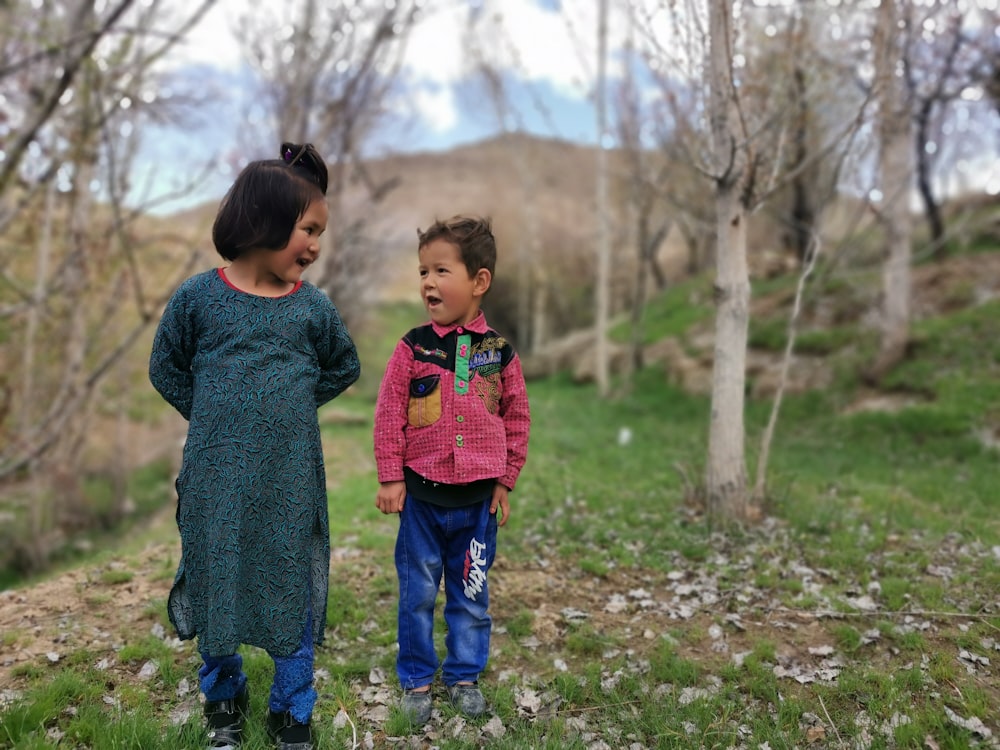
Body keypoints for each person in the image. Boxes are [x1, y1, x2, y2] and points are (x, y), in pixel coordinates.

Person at [149, 142, 360, 750]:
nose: (316, 244)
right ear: (263, 222)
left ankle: (291, 711)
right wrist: (216, 414)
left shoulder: (311, 310)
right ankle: (223, 699)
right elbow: (165, 366)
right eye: (307, 229)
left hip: (289, 478)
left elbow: (342, 367)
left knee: (289, 585)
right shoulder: (198, 298)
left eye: (320, 230)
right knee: (219, 580)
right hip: (215, 478)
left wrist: (287, 410)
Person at [373, 215, 531, 725]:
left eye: (441, 270)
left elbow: (517, 418)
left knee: (470, 594)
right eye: (423, 271)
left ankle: (464, 674)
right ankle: (417, 679)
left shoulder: (498, 353)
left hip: (477, 507)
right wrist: (390, 475)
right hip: (421, 502)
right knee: (417, 593)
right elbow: (390, 412)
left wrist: (505, 480)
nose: (428, 282)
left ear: (479, 281)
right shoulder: (413, 347)